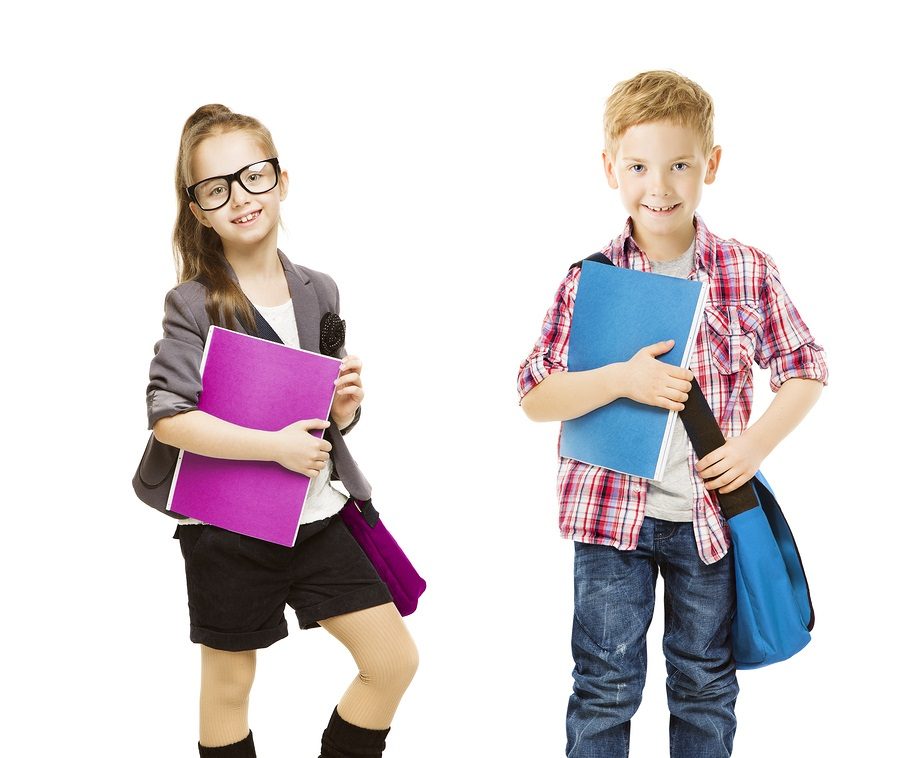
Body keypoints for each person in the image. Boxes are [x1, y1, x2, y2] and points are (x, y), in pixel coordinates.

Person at [517, 71, 828, 757]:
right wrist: (620, 380)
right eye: (638, 166)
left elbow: (806, 367)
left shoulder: (745, 269)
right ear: (610, 170)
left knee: (705, 685)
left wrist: (751, 449)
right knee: (604, 685)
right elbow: (536, 394)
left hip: (706, 520)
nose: (658, 186)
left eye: (679, 164)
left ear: (710, 165)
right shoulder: (589, 277)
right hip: (610, 520)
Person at [146, 104, 418, 758]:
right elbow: (169, 416)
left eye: (254, 176)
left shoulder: (319, 290)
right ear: (199, 210)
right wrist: (273, 448)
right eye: (217, 187)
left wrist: (345, 405)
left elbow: (323, 418)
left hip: (318, 518)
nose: (240, 196)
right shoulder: (194, 303)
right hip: (230, 528)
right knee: (230, 682)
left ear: (282, 180)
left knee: (393, 662)